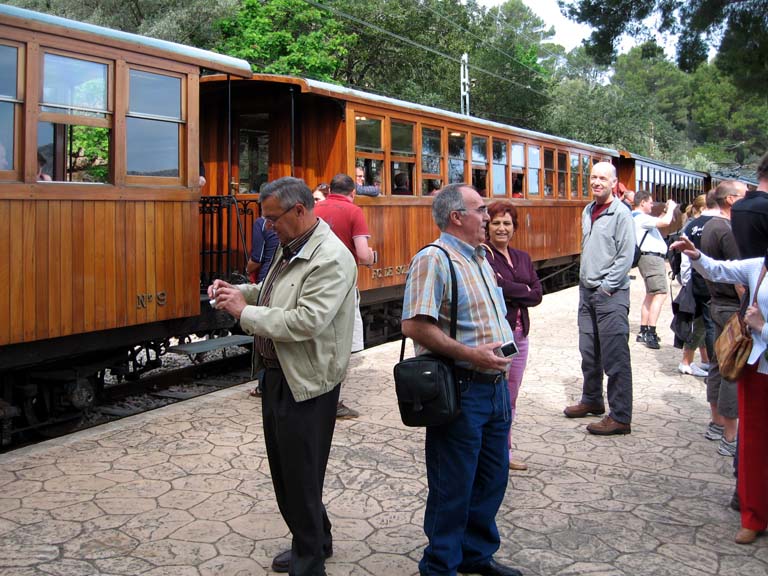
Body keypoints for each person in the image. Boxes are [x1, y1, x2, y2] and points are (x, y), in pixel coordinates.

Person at [209, 176, 357, 575]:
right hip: (281, 375)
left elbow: (307, 320)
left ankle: (310, 562)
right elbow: (276, 291)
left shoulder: (331, 257)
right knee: (289, 471)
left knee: (301, 475)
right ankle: (316, 538)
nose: (268, 227)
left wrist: (243, 312)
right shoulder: (293, 246)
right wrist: (239, 292)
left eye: (272, 219)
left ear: (299, 210)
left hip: (307, 381)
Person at [401, 183, 520, 576]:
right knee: (453, 486)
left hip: (495, 388)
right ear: (457, 217)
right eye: (481, 210)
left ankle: (475, 555)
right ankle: (440, 566)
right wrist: (472, 354)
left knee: (491, 479)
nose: (488, 217)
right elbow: (414, 325)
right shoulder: (434, 259)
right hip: (462, 387)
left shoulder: (480, 258)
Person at [670, 237, 768, 546]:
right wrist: (695, 254)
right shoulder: (760, 266)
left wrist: (762, 327)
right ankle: (753, 516)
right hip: (758, 369)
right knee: (753, 446)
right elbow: (720, 270)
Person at [564, 161, 635, 435]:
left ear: (614, 183)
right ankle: (592, 399)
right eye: (593, 177)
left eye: (603, 178)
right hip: (587, 292)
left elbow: (625, 256)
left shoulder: (621, 214)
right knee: (589, 352)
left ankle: (620, 416)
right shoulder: (588, 210)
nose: (596, 182)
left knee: (615, 357)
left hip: (610, 295)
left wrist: (606, 288)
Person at [483, 201, 542, 472]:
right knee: (496, 395)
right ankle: (493, 455)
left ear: (514, 227)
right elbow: (494, 288)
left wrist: (508, 287)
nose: (502, 228)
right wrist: (522, 288)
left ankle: (504, 453)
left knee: (511, 396)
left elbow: (537, 294)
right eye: (496, 223)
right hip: (499, 337)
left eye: (507, 223)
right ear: (487, 227)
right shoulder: (484, 256)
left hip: (520, 335)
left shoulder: (522, 257)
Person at [314, 173, 375, 420]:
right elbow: (362, 253)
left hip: (315, 280)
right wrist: (372, 257)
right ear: (353, 192)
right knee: (339, 343)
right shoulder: (353, 211)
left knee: (319, 338)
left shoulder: (315, 207)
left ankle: (315, 396)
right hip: (342, 282)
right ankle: (332, 402)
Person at [700, 180, 747, 457]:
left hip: (715, 303)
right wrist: (748, 308)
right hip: (730, 306)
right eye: (743, 195)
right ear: (730, 199)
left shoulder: (709, 226)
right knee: (732, 367)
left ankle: (716, 422)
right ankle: (730, 435)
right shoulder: (726, 231)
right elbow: (738, 276)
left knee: (718, 365)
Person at [632, 190, 677, 349]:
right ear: (642, 202)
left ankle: (644, 330)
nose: (652, 205)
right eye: (650, 202)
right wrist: (671, 208)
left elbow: (657, 221)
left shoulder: (637, 218)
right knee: (660, 293)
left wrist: (664, 212)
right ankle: (650, 332)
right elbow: (664, 223)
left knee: (651, 294)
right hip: (651, 259)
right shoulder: (641, 218)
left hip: (649, 258)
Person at [676, 194, 711, 376]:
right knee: (700, 324)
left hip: (693, 280)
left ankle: (704, 359)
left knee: (701, 322)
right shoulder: (698, 226)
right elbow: (686, 259)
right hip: (697, 282)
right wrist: (686, 281)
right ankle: (687, 361)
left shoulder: (690, 226)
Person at [246, 213, 279, 398]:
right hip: (279, 279)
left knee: (262, 331)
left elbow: (257, 257)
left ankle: (261, 385)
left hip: (265, 279)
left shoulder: (262, 223)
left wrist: (245, 269)